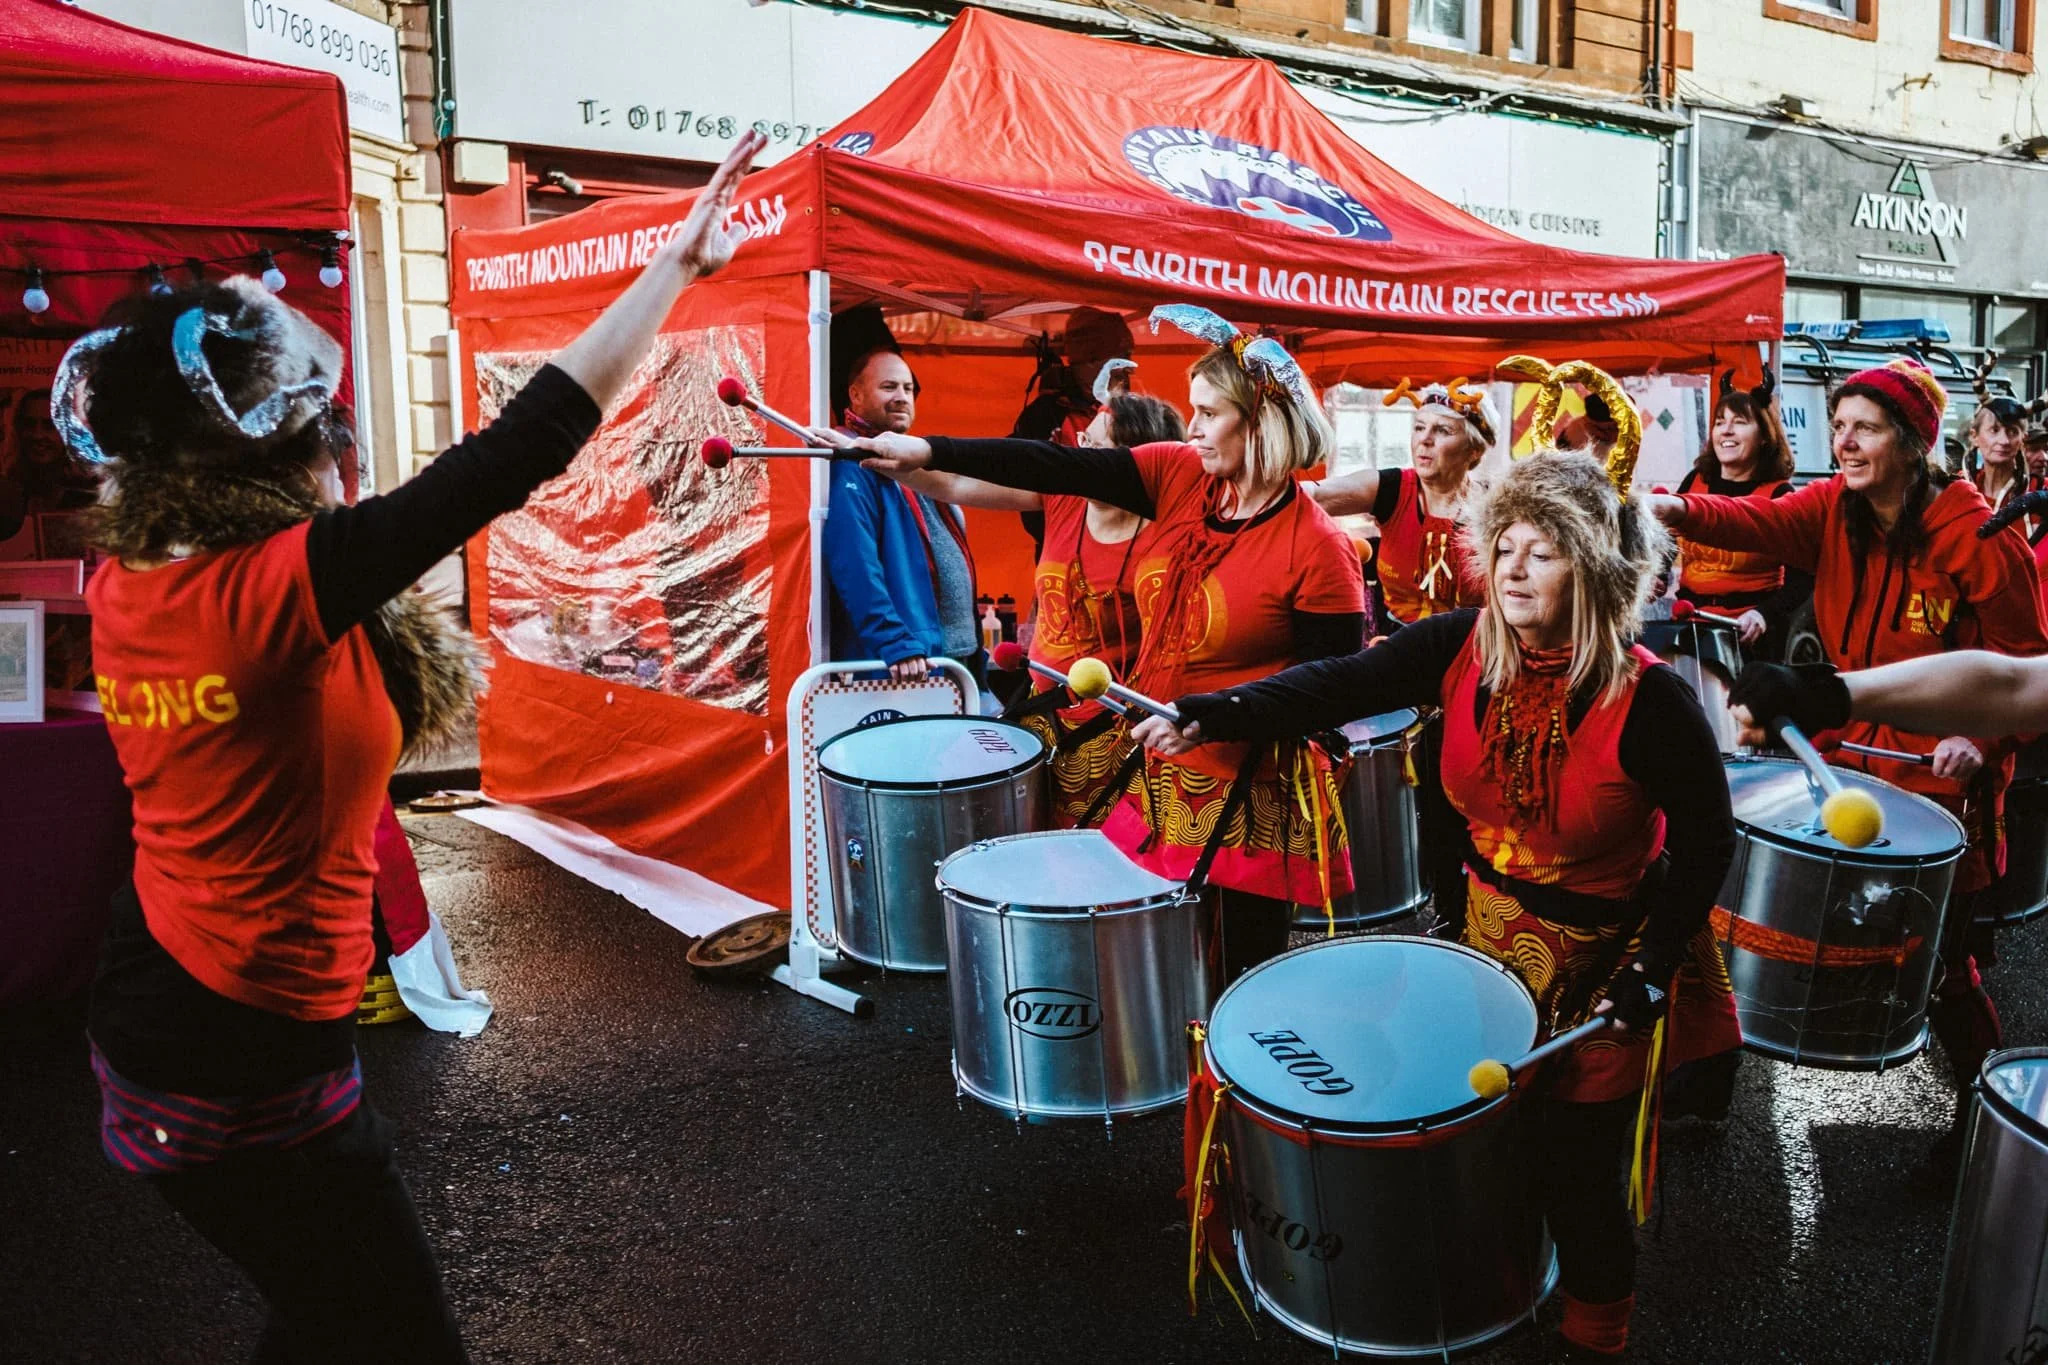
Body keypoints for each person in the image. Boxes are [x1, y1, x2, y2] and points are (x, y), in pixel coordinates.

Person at [68, 130, 769, 1363]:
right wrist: (674, 266)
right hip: (233, 1040)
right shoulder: (272, 591)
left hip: (196, 1009)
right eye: (317, 426)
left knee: (327, 1316)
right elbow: (520, 447)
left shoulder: (136, 578)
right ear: (267, 448)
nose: (336, 440)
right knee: (390, 1334)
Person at [1142, 440, 1741, 1365]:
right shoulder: (1461, 646)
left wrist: (1654, 969)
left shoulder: (1653, 702)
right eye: (1504, 547)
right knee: (1487, 1137)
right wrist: (1212, 712)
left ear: (1593, 567)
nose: (1514, 568)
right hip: (1486, 940)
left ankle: (1596, 1335)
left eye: (1543, 551)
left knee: (1579, 1169)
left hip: (1605, 960)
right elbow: (1336, 683)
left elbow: (1708, 841)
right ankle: (1492, 1289)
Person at [840, 305, 1364, 982]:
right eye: (1193, 411)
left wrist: (1216, 716)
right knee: (1149, 977)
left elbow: (1330, 694)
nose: (1192, 427)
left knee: (1233, 977)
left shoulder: (1319, 547)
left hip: (1251, 799)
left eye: (1209, 413)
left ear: (1262, 422)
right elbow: (1057, 465)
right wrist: (927, 451)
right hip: (1160, 776)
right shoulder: (1182, 475)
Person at [1644, 356, 2048, 1182]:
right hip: (1839, 759)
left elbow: (2025, 670)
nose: (1846, 442)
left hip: (1940, 780)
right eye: (1838, 427)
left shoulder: (1979, 538)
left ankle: (1982, 1115)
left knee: (1940, 966)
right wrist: (1670, 506)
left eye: (1865, 427)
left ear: (1912, 442)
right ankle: (1710, 1072)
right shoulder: (1832, 508)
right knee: (1743, 917)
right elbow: (1750, 521)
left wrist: (1981, 743)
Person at [879, 386, 1185, 826]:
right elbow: (953, 483)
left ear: (1130, 462)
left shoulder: (1170, 527)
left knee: (1104, 857)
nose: (1078, 452)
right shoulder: (1062, 496)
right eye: (1082, 440)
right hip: (1046, 715)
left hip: (1124, 730)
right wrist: (884, 458)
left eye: (1094, 445)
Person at [823, 347, 981, 683]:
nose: (901, 397)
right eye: (888, 387)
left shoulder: (915, 460)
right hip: (908, 664)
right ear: (855, 394)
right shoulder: (852, 463)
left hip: (948, 658)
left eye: (908, 389)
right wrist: (893, 640)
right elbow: (854, 561)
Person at [1304, 378, 1494, 627]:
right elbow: (1316, 494)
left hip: (1471, 642)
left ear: (1474, 450)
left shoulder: (1496, 505)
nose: (1425, 439)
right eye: (1419, 427)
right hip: (1395, 641)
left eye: (1443, 431)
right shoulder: (1392, 488)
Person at [1671, 371, 1808, 656]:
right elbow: (1665, 540)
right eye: (1720, 422)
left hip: (1749, 637)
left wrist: (1763, 615)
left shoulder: (1780, 495)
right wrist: (1658, 574)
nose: (1726, 430)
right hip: (1689, 625)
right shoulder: (1695, 481)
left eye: (1740, 422)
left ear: (1764, 437)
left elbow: (1804, 579)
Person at [1965, 394, 2030, 518]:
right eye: (1994, 430)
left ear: (2023, 439)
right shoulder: (1960, 489)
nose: (2004, 441)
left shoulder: (2039, 490)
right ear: (1974, 436)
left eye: (2013, 432)